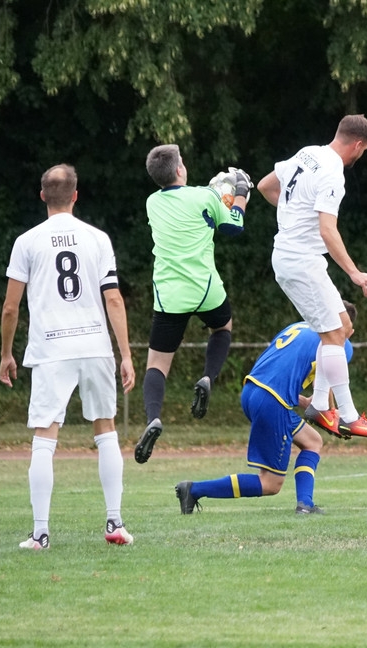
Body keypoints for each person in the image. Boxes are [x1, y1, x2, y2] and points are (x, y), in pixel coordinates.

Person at [0, 164, 137, 550]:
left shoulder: (27, 241)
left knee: (45, 436)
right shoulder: (97, 239)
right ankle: (115, 522)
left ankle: (40, 533)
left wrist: (6, 353)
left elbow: (10, 307)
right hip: (94, 346)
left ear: (43, 195)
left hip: (51, 349)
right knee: (105, 430)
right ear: (75, 195)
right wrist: (125, 354)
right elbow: (113, 298)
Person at [256, 114, 367, 440]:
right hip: (301, 261)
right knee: (333, 335)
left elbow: (264, 186)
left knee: (343, 328)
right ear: (359, 145)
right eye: (364, 150)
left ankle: (318, 404)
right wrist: (355, 273)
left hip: (295, 257)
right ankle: (349, 416)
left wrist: (291, 216)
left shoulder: (308, 153)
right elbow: (328, 231)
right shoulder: (332, 172)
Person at [174, 302, 357, 516]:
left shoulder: (297, 327)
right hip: (272, 401)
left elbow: (275, 373)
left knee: (312, 441)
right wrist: (335, 413)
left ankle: (305, 504)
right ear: (348, 328)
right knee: (271, 483)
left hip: (253, 391)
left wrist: (304, 402)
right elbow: (329, 377)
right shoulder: (340, 343)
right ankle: (194, 490)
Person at [135, 145, 252, 464]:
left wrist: (216, 197)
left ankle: (153, 418)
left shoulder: (152, 202)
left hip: (170, 295)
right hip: (205, 289)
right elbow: (234, 226)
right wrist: (240, 192)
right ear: (179, 170)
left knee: (157, 365)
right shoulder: (205, 196)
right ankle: (207, 377)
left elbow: (190, 206)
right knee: (222, 328)